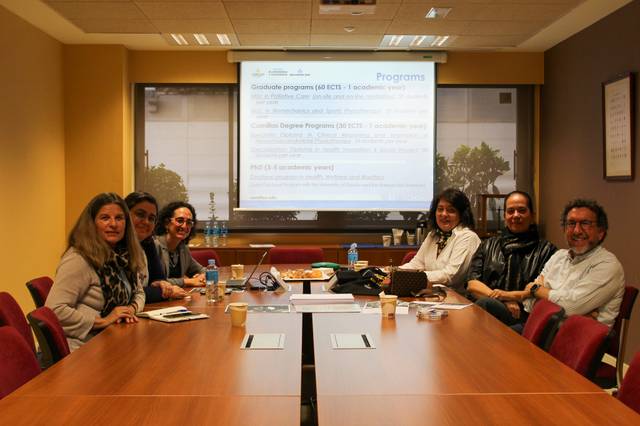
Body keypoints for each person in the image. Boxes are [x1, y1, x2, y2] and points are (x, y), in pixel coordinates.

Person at [46, 193, 146, 351]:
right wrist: (103, 321)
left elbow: (139, 292)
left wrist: (131, 309)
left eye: (119, 218)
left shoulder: (123, 256)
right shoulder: (79, 258)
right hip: (83, 349)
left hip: (113, 341)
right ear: (92, 224)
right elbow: (54, 310)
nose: (113, 224)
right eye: (105, 218)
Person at [523, 199, 624, 327]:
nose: (577, 231)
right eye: (571, 223)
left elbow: (570, 307)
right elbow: (528, 303)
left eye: (585, 223)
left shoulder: (607, 265)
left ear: (601, 232)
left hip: (579, 342)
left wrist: (536, 289)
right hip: (542, 328)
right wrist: (566, 311)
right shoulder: (558, 257)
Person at [466, 191, 557, 325]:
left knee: (485, 305)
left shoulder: (547, 250)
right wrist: (503, 299)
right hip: (487, 308)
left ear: (532, 216)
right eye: (510, 211)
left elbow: (541, 292)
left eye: (521, 210)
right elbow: (472, 284)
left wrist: (510, 297)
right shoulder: (488, 244)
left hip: (525, 316)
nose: (515, 215)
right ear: (504, 216)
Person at [400, 188, 481, 293]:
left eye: (451, 210)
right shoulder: (433, 235)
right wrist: (394, 272)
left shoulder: (468, 237)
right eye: (440, 209)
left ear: (461, 215)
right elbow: (416, 264)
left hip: (457, 299)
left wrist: (415, 277)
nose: (443, 214)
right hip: (432, 295)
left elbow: (451, 275)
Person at [125, 192, 187, 302]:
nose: (146, 222)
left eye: (151, 218)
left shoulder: (148, 243)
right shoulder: (116, 247)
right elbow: (128, 294)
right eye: (140, 214)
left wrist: (161, 284)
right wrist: (166, 292)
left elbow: (160, 280)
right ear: (125, 214)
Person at [155, 201, 206, 287]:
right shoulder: (154, 246)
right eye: (180, 220)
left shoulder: (183, 248)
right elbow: (156, 282)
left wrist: (202, 276)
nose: (184, 226)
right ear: (167, 223)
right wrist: (187, 281)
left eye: (189, 222)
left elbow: (202, 270)